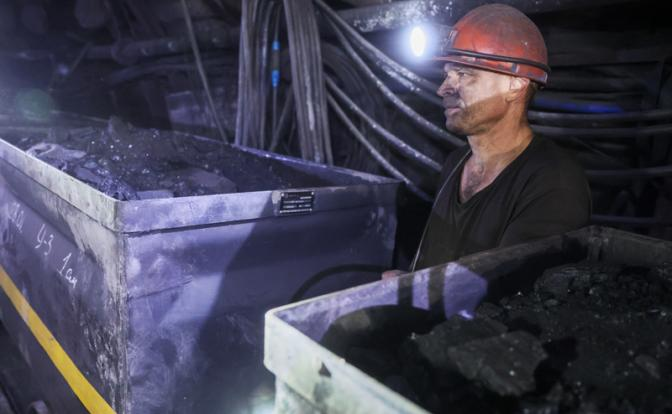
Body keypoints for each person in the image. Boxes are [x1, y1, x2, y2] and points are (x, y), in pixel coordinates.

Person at [384, 3, 591, 278]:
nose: (443, 89)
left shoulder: (554, 180)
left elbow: (517, 290)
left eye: (464, 74)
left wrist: (418, 292)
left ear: (515, 85)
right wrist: (409, 283)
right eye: (447, 75)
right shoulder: (456, 163)